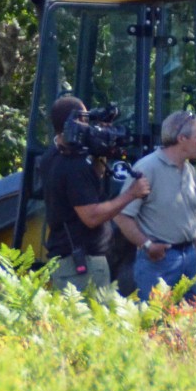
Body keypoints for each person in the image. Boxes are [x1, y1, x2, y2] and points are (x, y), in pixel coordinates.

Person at [41, 96, 150, 294]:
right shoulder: (74, 166)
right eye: (85, 120)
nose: (88, 126)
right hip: (80, 264)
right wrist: (131, 194)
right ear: (74, 122)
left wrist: (100, 149)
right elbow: (91, 217)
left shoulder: (52, 155)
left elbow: (92, 180)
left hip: (72, 259)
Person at [113, 112, 196, 298]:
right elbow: (121, 216)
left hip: (190, 258)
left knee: (189, 316)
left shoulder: (190, 171)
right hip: (158, 261)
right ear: (182, 138)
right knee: (156, 316)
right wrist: (147, 245)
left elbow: (195, 222)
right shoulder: (147, 168)